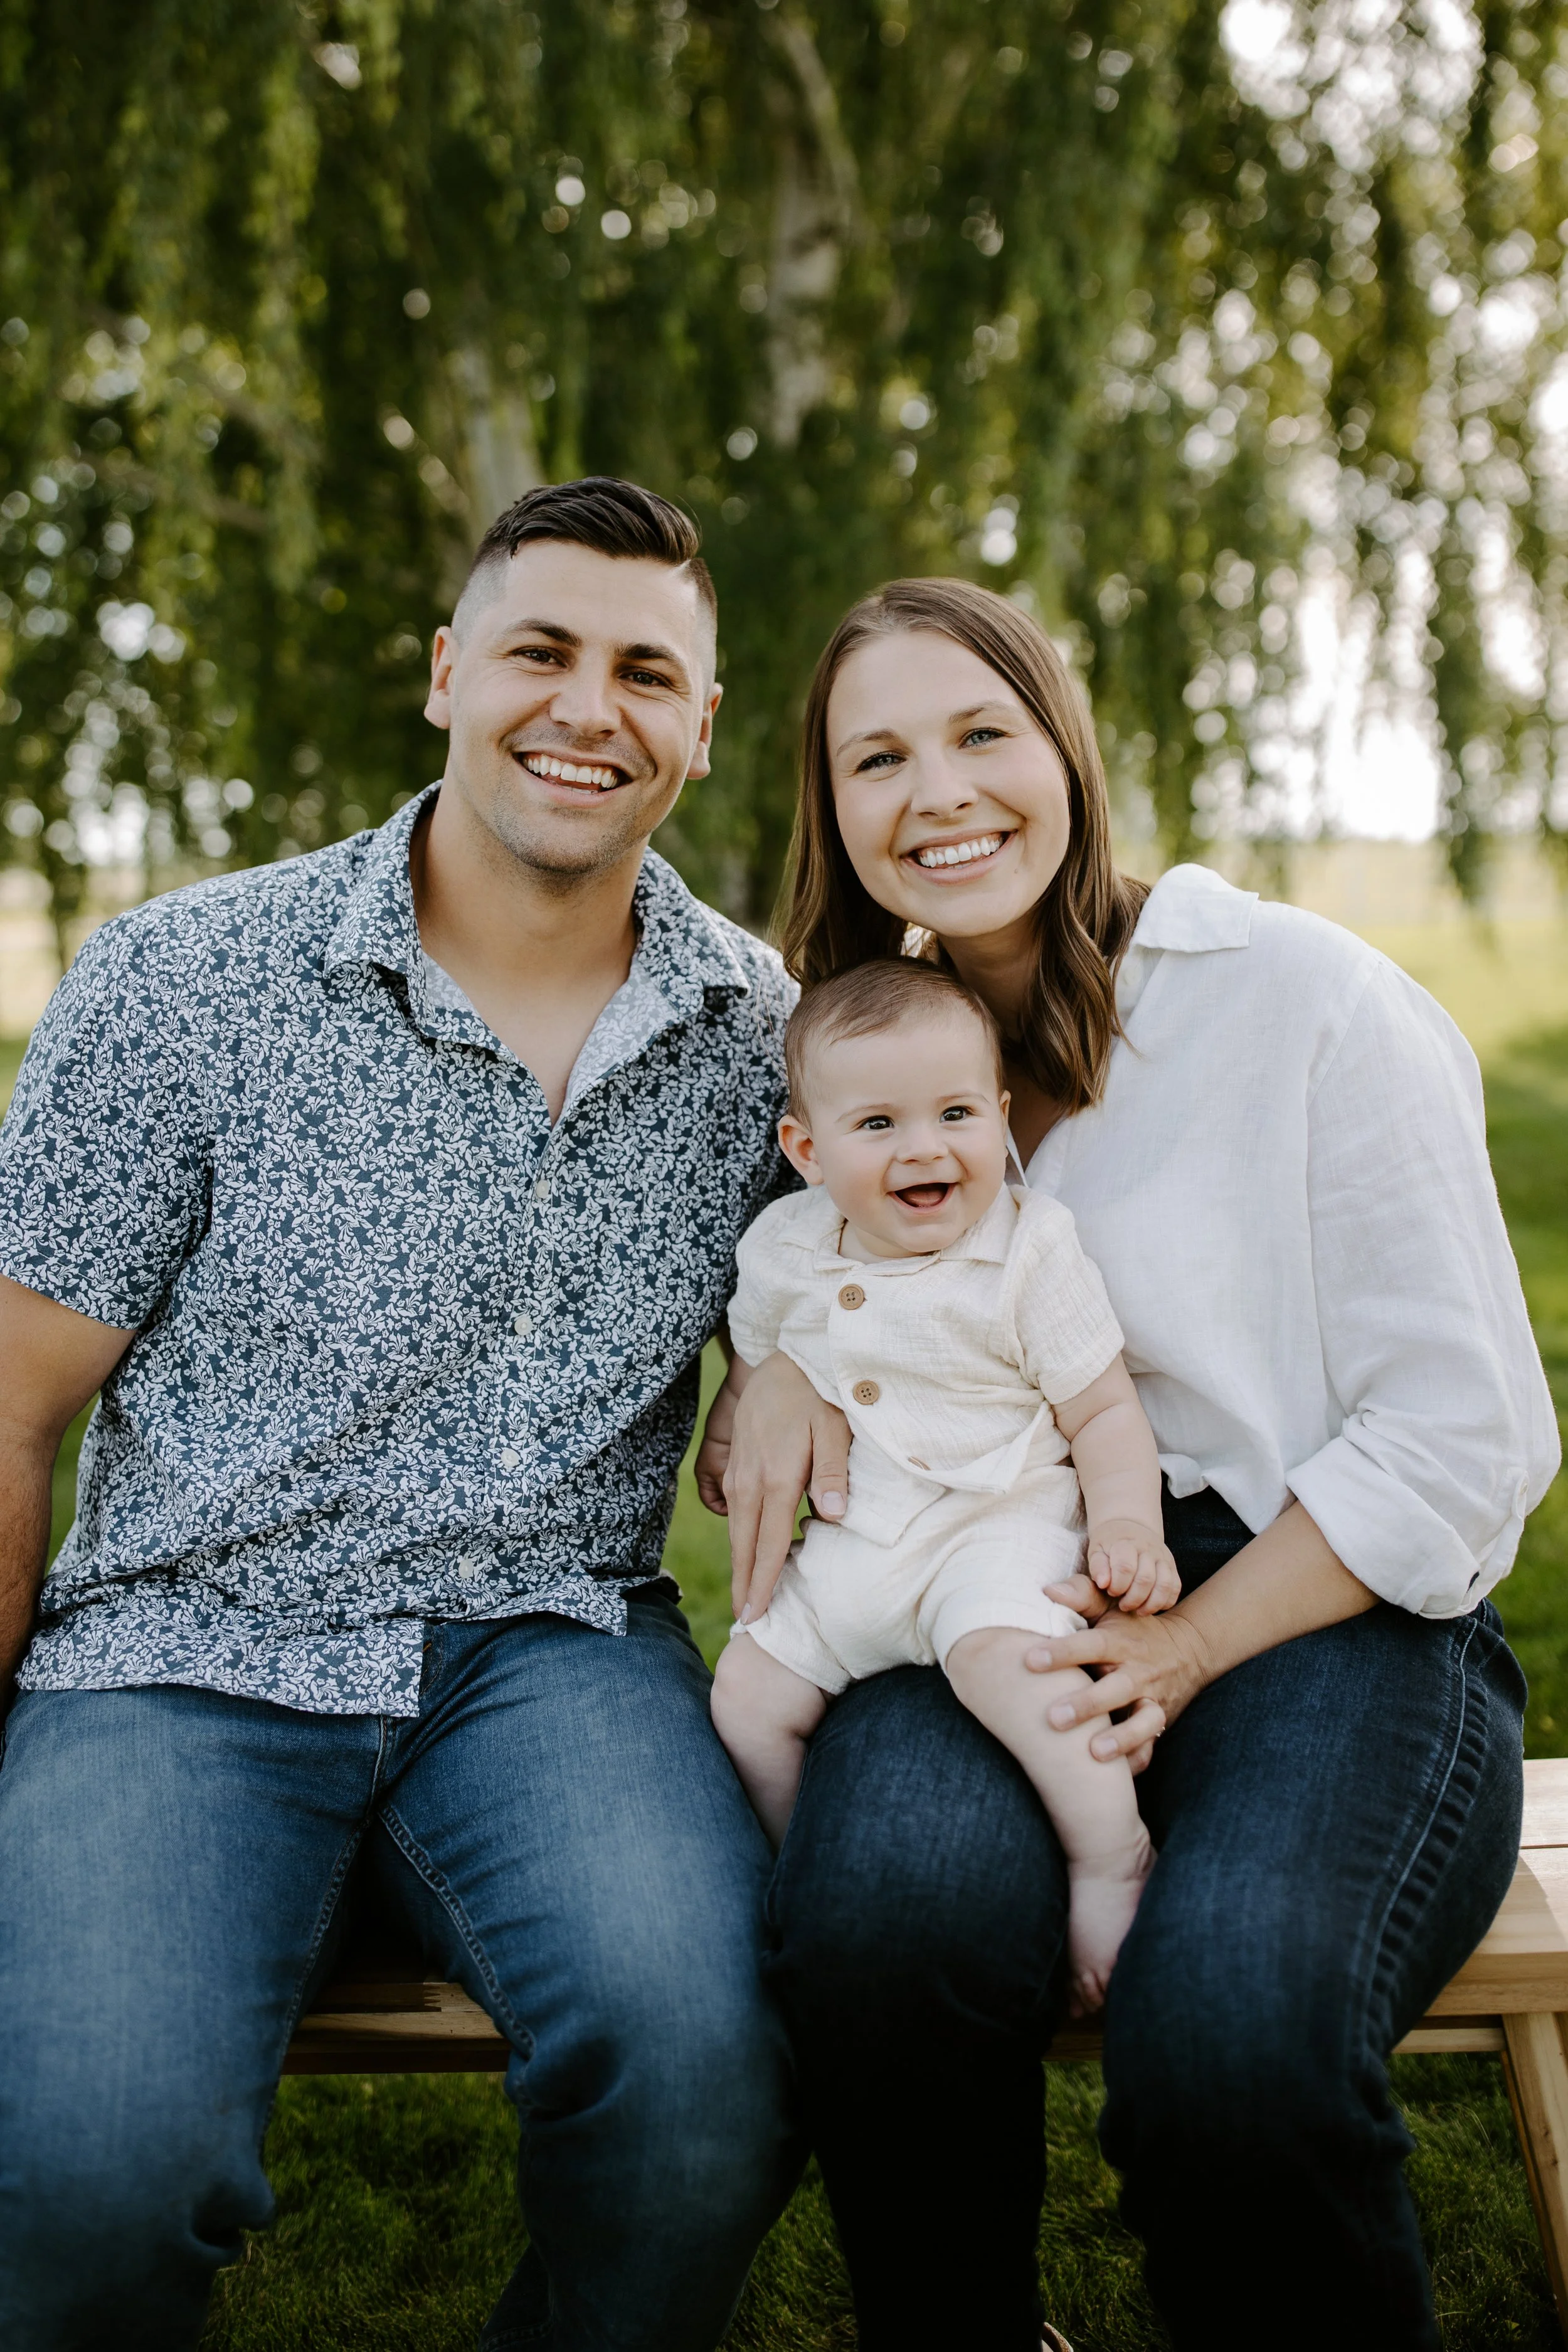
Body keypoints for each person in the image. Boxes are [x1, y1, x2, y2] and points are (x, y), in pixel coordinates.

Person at [702, 576, 1559, 2352]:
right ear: (834, 810)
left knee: (1230, 2039)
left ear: (1065, 747)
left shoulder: (1301, 999)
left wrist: (1180, 1638)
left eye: (978, 732)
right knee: (874, 1927)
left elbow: (1462, 1435)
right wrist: (767, 1371)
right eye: (876, 756)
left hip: (1331, 1609)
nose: (935, 791)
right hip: (986, 1584)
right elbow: (809, 1288)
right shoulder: (875, 1050)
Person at [0, 478, 799, 2352]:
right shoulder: (183, 979)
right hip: (177, 1648)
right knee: (85, 2173)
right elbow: (15, 1401)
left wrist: (786, 1378)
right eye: (538, 650)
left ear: (700, 722)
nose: (584, 708)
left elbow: (868, 1300)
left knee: (710, 2096)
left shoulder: (759, 1036)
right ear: (449, 674)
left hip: (553, 1650)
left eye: (643, 671)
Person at [710, 956, 1177, 2010]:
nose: (926, 1147)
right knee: (745, 1700)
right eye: (877, 1125)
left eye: (957, 1112)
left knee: (1011, 1669)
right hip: (850, 1541)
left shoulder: (1027, 1249)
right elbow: (754, 1367)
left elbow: (1101, 1408)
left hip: (991, 1528)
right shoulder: (783, 1247)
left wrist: (1127, 1524)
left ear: (1001, 1119)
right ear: (806, 1150)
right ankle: (795, 1864)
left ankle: (1110, 1857)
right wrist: (728, 1438)